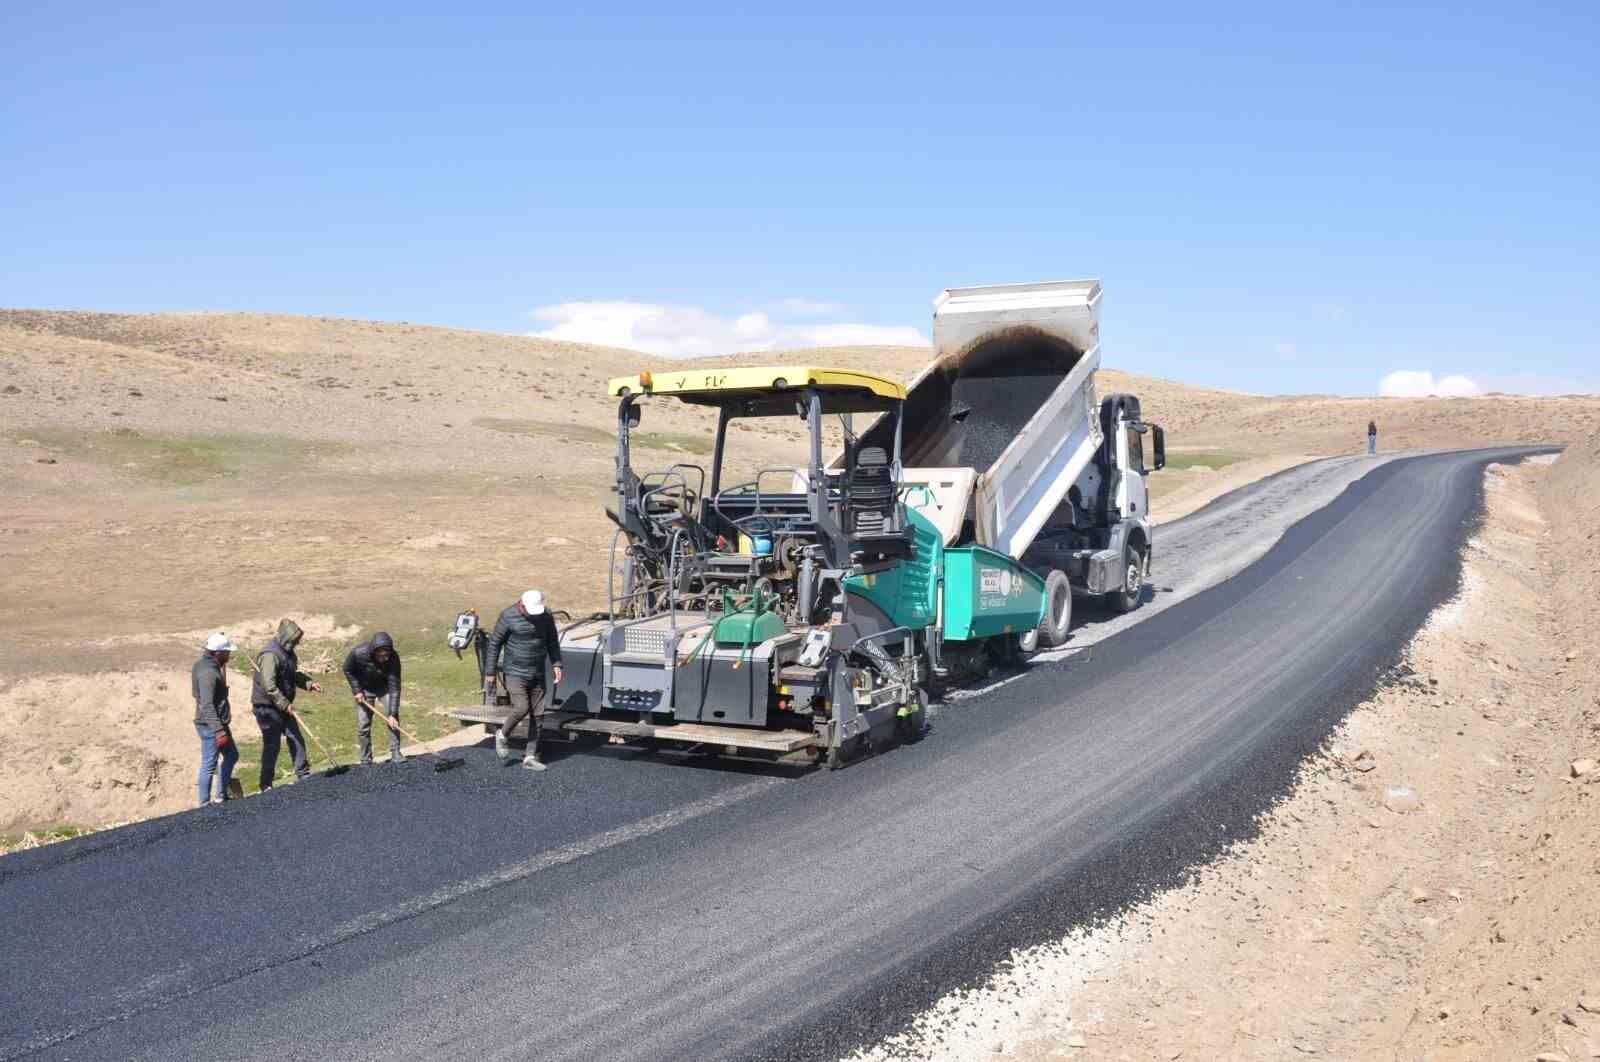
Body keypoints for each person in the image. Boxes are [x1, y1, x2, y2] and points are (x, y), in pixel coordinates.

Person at [485, 589, 563, 771]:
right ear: (522, 605)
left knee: (539, 715)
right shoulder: (508, 615)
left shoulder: (546, 615)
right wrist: (490, 672)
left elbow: (552, 640)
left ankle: (530, 756)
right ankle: (503, 735)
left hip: (537, 672)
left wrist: (557, 663)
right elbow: (495, 643)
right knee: (521, 708)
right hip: (514, 671)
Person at [251, 619, 322, 790]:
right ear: (285, 638)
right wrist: (284, 704)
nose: (296, 643)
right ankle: (266, 784)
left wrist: (309, 684)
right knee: (272, 744)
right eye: (294, 640)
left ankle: (303, 774)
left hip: (282, 705)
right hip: (267, 707)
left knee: (295, 737)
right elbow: (270, 686)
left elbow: (292, 674)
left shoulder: (289, 653)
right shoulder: (270, 655)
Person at [344, 631, 404, 765]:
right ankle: (366, 758)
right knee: (363, 724)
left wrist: (392, 714)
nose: (384, 658)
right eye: (381, 655)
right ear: (374, 651)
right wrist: (357, 690)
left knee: (393, 719)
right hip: (364, 689)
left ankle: (396, 752)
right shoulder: (358, 653)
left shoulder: (393, 658)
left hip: (384, 688)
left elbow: (394, 687)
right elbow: (347, 669)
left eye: (386, 655)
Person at [193, 632, 239, 807]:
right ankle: (204, 804)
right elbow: (206, 705)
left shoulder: (202, 666)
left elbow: (196, 695)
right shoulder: (208, 674)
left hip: (217, 723)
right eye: (227, 652)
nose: (229, 654)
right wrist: (219, 731)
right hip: (210, 725)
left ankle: (221, 796)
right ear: (218, 653)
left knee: (232, 755)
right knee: (209, 764)